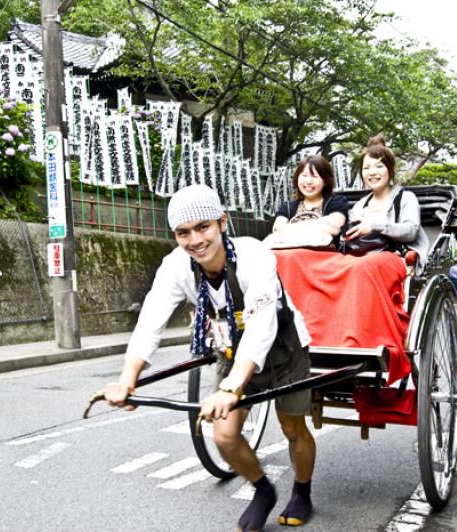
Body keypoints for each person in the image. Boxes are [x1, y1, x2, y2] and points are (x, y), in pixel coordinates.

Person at [104, 185, 317, 531]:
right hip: (231, 348)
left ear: (222, 222)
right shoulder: (175, 267)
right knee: (223, 436)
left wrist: (232, 387)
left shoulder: (254, 255)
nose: (195, 240)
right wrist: (127, 379)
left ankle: (303, 491)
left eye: (203, 227)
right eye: (183, 233)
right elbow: (150, 321)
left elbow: (262, 325)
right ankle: (263, 490)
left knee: (293, 427)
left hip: (283, 346)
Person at [273, 135, 429, 386]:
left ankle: (361, 341)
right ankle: (325, 339)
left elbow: (410, 230)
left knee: (361, 269)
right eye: (367, 168)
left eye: (378, 166)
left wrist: (375, 225)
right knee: (333, 269)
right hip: (357, 257)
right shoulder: (360, 205)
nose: (372, 172)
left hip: (392, 255)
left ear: (389, 169)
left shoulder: (404, 198)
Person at [271, 154, 348, 243]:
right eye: (304, 175)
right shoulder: (287, 207)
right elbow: (277, 231)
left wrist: (289, 227)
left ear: (326, 181)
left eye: (314, 176)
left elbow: (334, 228)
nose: (308, 181)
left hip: (325, 255)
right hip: (290, 254)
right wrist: (323, 223)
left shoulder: (337, 202)